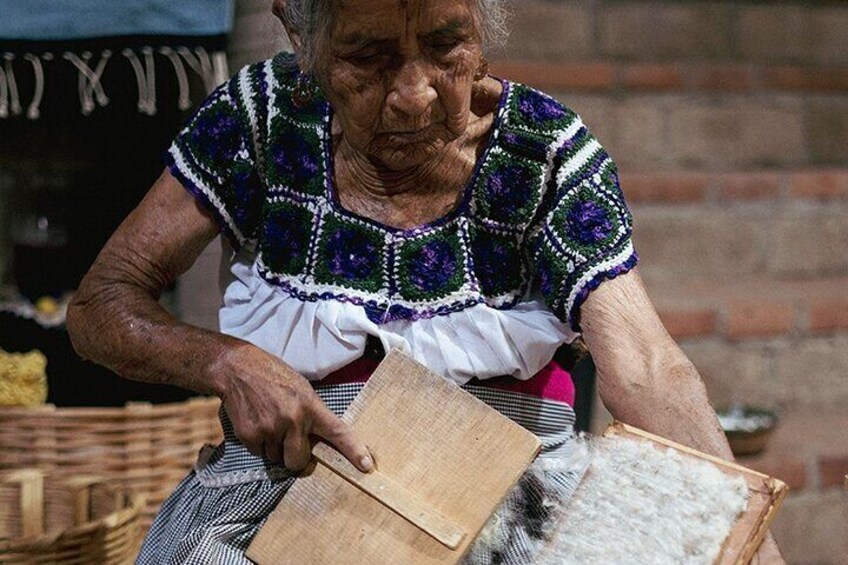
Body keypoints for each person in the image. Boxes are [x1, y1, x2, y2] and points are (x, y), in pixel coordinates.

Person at [67, 0, 784, 563]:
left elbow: (649, 370)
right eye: (367, 57)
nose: (414, 96)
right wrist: (228, 363)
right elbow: (101, 303)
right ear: (298, 30)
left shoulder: (544, 153)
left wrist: (758, 546)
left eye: (447, 47)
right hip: (289, 490)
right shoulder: (261, 118)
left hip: (517, 503)